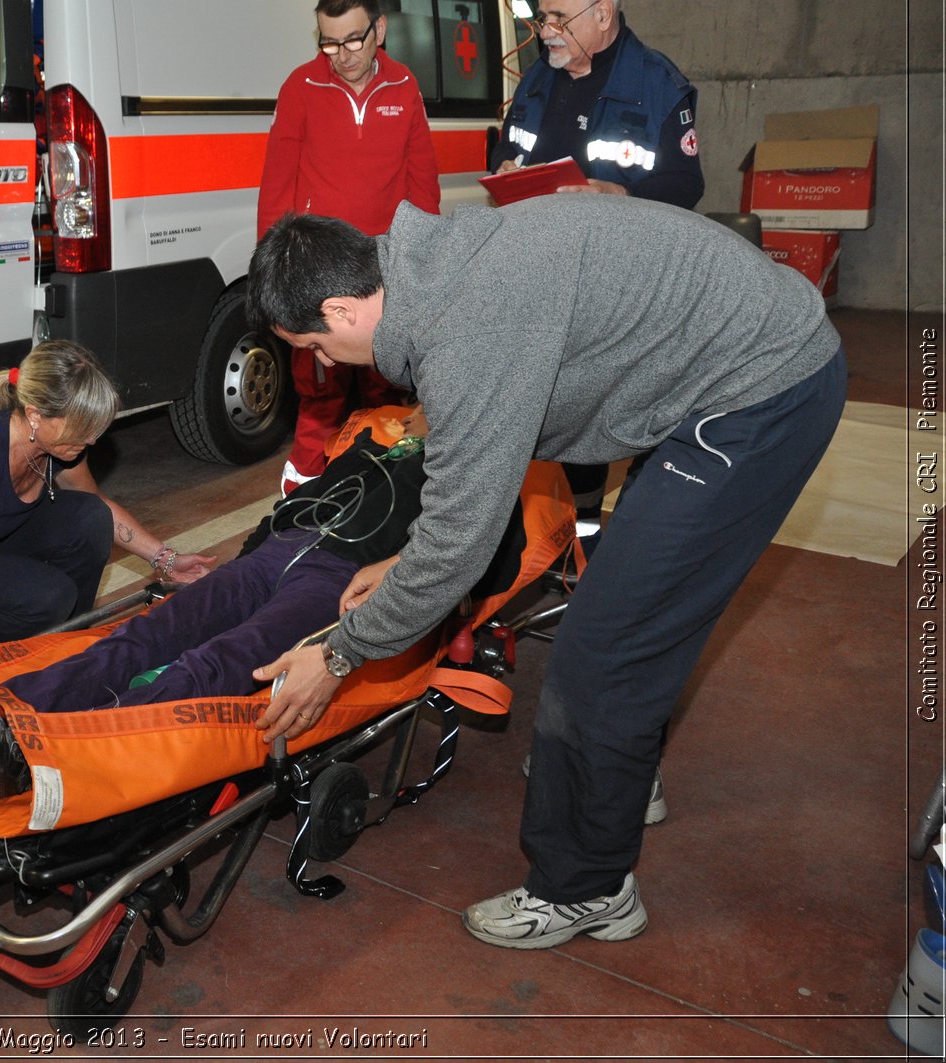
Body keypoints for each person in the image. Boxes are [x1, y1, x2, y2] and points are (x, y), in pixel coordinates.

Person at [244, 198, 845, 950]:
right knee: (631, 608)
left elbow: (462, 538)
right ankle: (615, 778)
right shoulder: (431, 264)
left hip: (762, 389)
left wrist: (339, 652)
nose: (323, 363)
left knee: (601, 655)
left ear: (341, 307)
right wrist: (406, 558)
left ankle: (588, 887)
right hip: (728, 359)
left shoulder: (465, 328)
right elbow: (481, 465)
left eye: (314, 345)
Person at [0, 407, 530, 798]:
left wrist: (404, 584)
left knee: (221, 663)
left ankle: (53, 757)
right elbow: (292, 506)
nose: (417, 412)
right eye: (415, 408)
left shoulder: (481, 481)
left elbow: (478, 563)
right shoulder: (368, 446)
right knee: (143, 637)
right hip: (278, 553)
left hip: (342, 579)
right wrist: (246, 556)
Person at [492, 0, 703, 541]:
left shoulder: (658, 83)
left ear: (604, 12)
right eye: (542, 18)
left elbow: (686, 186)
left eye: (560, 17)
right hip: (548, 275)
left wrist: (621, 193)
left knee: (633, 412)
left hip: (626, 286)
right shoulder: (538, 78)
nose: (547, 31)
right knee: (567, 412)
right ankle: (576, 538)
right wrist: (508, 170)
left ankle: (634, 540)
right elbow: (508, 146)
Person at [0, 340, 215, 648]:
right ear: (35, 415)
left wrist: (166, 559)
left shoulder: (61, 444)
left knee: (92, 519)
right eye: (83, 428)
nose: (92, 440)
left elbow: (99, 510)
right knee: (51, 598)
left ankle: (66, 647)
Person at [257, 0, 441, 496]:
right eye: (329, 42)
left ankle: (385, 491)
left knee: (389, 386)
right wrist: (274, 275)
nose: (342, 54)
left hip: (383, 276)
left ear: (379, 29)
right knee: (318, 393)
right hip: (318, 275)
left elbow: (422, 183)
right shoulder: (302, 86)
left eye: (354, 39)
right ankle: (299, 499)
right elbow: (277, 186)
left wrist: (426, 264)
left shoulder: (404, 87)